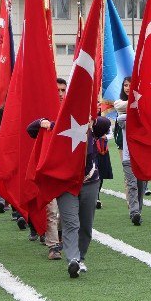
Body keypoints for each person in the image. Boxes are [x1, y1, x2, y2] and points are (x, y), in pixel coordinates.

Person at [28, 116, 111, 278]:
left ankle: (81, 257)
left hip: (89, 181)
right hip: (66, 184)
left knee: (86, 225)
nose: (60, 93)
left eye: (63, 90)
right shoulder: (56, 126)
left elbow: (106, 124)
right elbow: (31, 130)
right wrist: (40, 122)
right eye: (59, 89)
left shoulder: (92, 127)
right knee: (71, 223)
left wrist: (92, 120)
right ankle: (73, 259)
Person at [114, 77, 144, 226]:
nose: (127, 87)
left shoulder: (140, 108)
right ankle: (134, 212)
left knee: (141, 185)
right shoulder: (119, 103)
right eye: (125, 85)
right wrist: (138, 103)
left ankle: (138, 209)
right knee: (131, 183)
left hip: (142, 154)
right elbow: (120, 113)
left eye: (130, 85)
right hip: (126, 153)